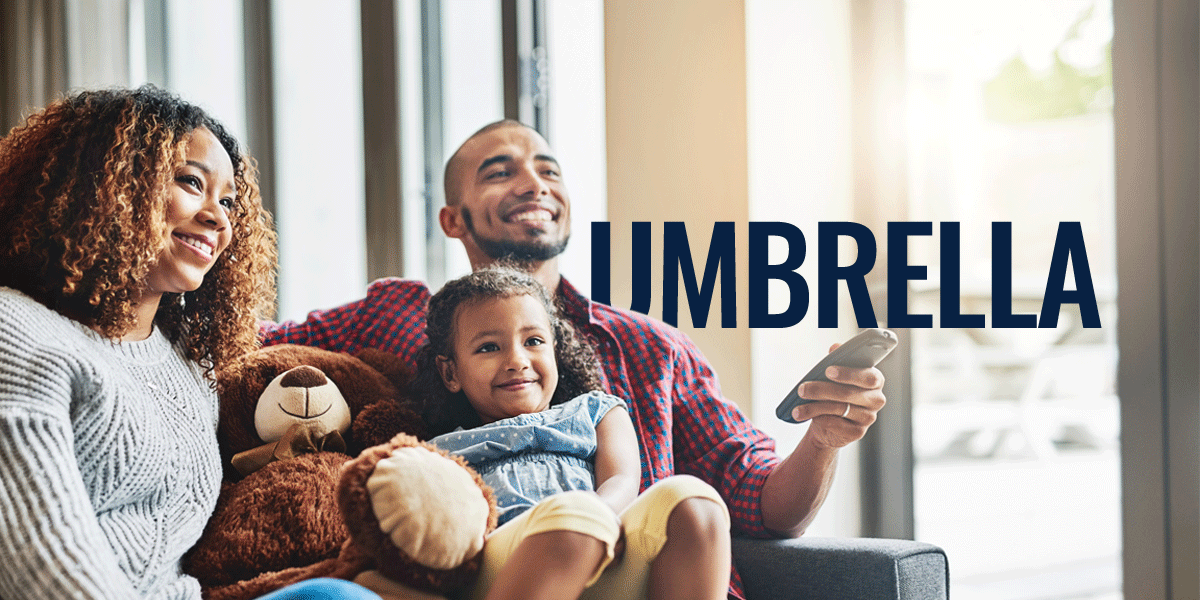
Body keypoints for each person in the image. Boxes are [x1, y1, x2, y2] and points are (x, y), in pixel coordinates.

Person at [259, 119, 887, 598]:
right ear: (454, 218)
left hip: (643, 576)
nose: (534, 182)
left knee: (691, 501)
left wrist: (824, 440)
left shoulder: (648, 346)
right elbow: (253, 346)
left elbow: (766, 503)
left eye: (549, 171)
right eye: (500, 171)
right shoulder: (397, 316)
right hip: (492, 564)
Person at [0, 87, 378, 600]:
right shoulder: (15, 328)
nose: (219, 218)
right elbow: (39, 560)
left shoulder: (188, 361)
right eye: (191, 183)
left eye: (228, 201)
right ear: (105, 185)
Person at [402, 266, 730, 600]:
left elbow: (622, 480)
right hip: (503, 567)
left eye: (533, 341)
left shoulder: (596, 412)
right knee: (570, 517)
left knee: (693, 503)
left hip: (607, 549)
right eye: (488, 347)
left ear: (555, 350)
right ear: (450, 372)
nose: (517, 360)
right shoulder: (437, 454)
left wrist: (601, 517)